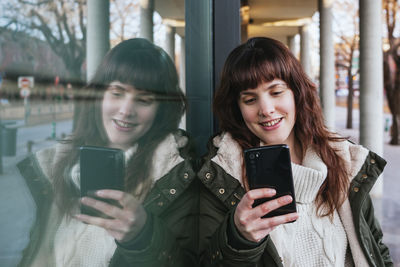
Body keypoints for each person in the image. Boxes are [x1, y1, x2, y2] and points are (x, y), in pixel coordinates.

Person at [197, 37, 393, 266]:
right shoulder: (221, 173)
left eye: (276, 92)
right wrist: (239, 238)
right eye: (250, 99)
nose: (266, 109)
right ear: (237, 108)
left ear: (296, 93)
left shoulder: (342, 160)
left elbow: (376, 248)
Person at [17, 38, 197, 267]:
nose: (126, 110)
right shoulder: (52, 163)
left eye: (144, 100)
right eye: (117, 93)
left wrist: (143, 235)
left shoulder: (175, 175)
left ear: (160, 110)